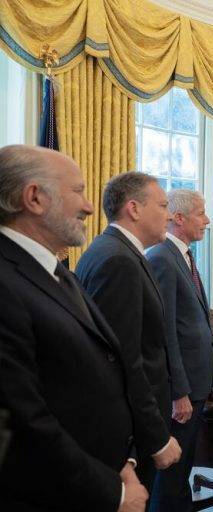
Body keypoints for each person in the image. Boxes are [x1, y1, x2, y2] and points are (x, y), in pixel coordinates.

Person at [0, 145, 147, 511]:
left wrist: (122, 463)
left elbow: (98, 377)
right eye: (78, 191)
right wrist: (112, 493)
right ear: (34, 198)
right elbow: (25, 419)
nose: (89, 206)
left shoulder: (55, 270)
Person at [76, 172, 181, 496]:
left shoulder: (122, 252)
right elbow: (122, 358)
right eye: (163, 205)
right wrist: (155, 436)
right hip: (129, 431)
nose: (169, 214)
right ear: (134, 209)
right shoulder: (118, 260)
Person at [145, 189, 213, 512]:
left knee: (184, 468)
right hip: (182, 390)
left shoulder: (184, 255)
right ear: (179, 218)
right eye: (201, 214)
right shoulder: (161, 257)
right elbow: (165, 330)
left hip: (197, 383)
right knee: (171, 476)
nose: (207, 221)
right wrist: (179, 392)